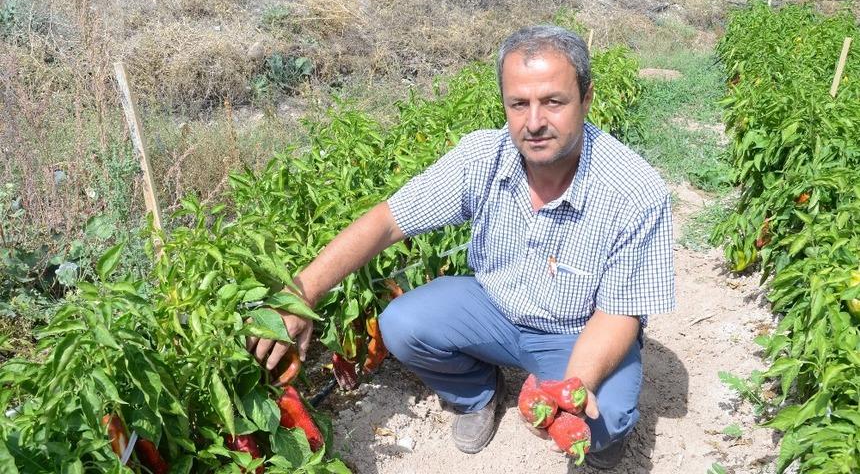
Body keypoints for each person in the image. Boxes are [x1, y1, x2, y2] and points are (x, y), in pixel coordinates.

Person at [246, 25, 675, 469]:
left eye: (553, 101)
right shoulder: (483, 158)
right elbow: (388, 221)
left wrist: (571, 388)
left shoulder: (633, 191)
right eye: (518, 104)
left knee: (600, 423)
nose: (534, 123)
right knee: (403, 323)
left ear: (586, 99)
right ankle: (479, 394)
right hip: (494, 311)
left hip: (579, 331)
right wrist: (301, 294)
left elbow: (619, 315)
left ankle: (596, 426)